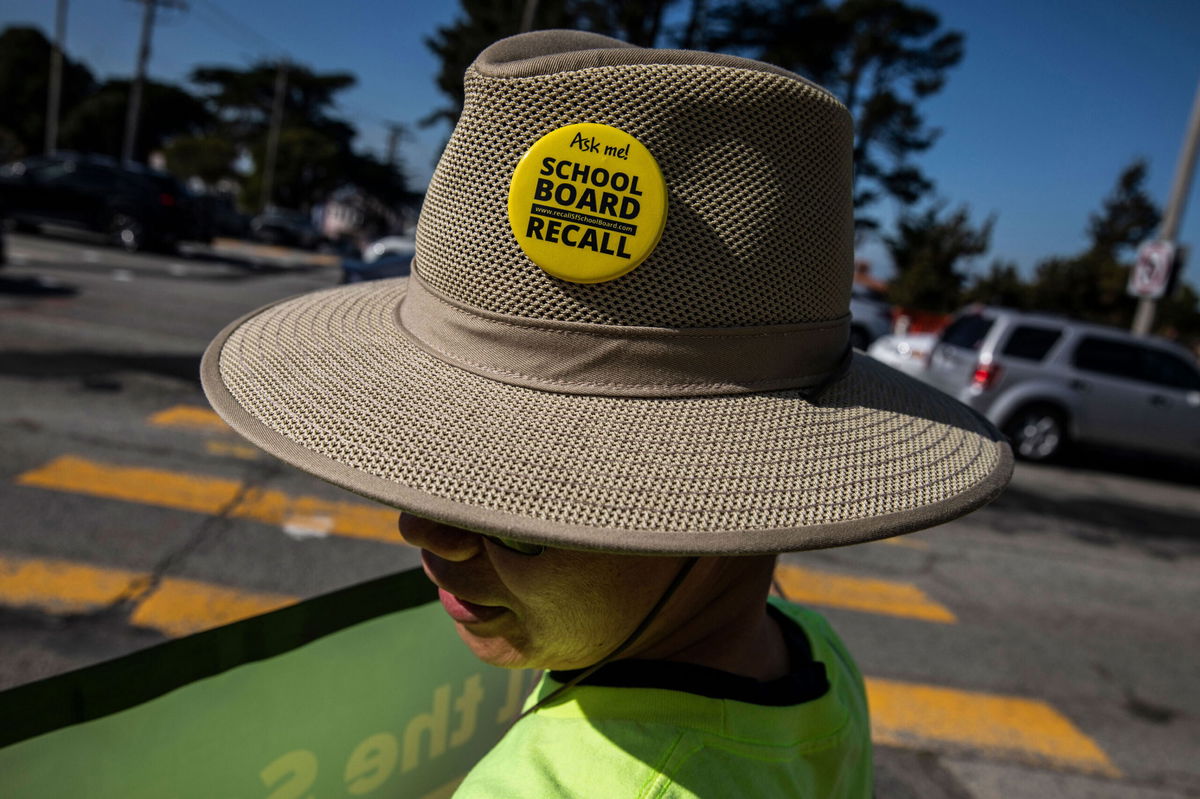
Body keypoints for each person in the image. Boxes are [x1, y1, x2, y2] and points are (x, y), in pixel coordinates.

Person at [202, 30, 1012, 798]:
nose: (425, 531)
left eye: (518, 503)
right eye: (426, 474)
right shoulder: (812, 655)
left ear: (717, 494)